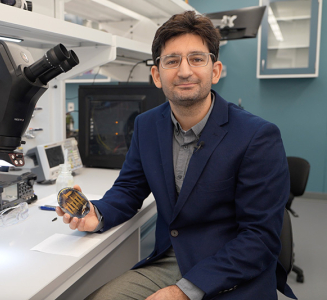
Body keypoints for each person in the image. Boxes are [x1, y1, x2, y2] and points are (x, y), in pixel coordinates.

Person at [56, 11, 296, 300]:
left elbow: (260, 238)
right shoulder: (146, 126)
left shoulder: (257, 136)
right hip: (172, 261)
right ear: (157, 75)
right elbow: (130, 188)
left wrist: (183, 292)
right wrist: (97, 214)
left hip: (234, 270)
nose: (184, 71)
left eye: (196, 59)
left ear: (215, 70)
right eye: (172, 61)